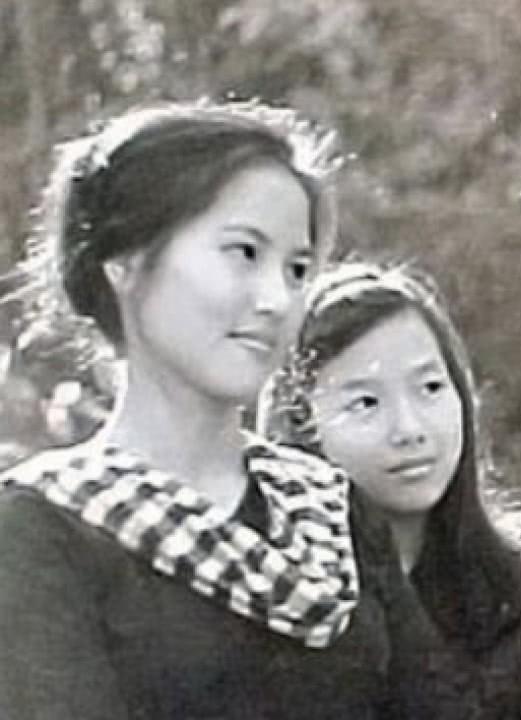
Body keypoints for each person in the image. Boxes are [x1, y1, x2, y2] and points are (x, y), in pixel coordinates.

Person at [0, 101, 425, 719]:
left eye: (298, 269)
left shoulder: (330, 510)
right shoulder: (40, 530)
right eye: (244, 252)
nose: (277, 299)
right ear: (125, 261)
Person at [261, 261, 521, 720]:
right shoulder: (273, 600)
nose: (410, 429)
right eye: (366, 402)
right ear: (301, 425)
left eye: (430, 387)